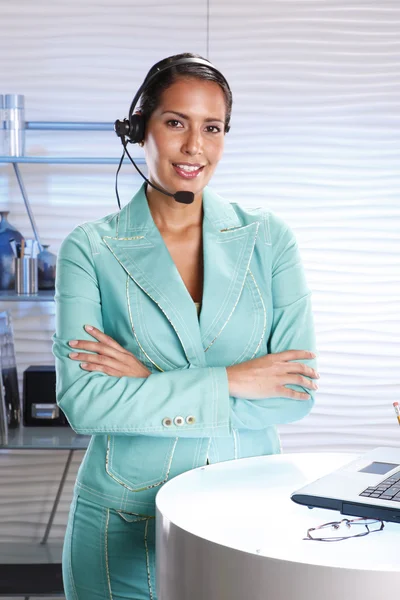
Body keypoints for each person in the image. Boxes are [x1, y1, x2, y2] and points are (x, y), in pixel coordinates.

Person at [53, 52, 319, 600]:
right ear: (139, 130)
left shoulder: (269, 240)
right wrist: (234, 379)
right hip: (123, 524)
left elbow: (294, 395)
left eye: (212, 127)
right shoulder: (91, 247)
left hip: (247, 521)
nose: (195, 146)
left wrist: (145, 380)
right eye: (175, 122)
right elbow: (85, 403)